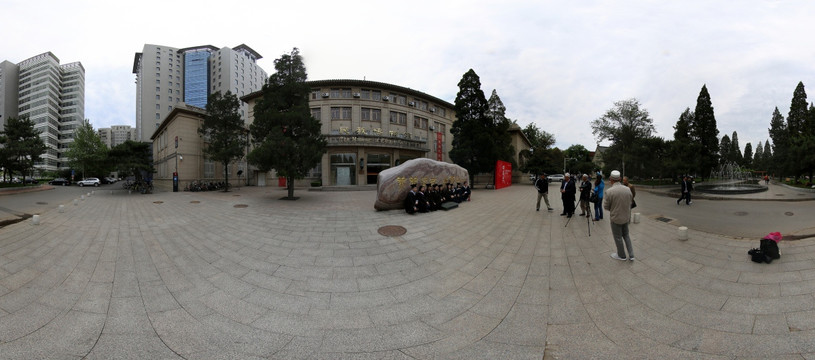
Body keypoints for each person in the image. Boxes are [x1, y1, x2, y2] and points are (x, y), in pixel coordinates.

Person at [604, 170, 634, 261]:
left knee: (618, 237)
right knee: (626, 235)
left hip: (616, 218)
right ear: (620, 179)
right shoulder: (627, 189)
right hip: (626, 217)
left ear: (610, 179)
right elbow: (631, 201)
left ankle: (622, 255)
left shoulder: (609, 191)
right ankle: (631, 255)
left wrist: (614, 209)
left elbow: (606, 206)